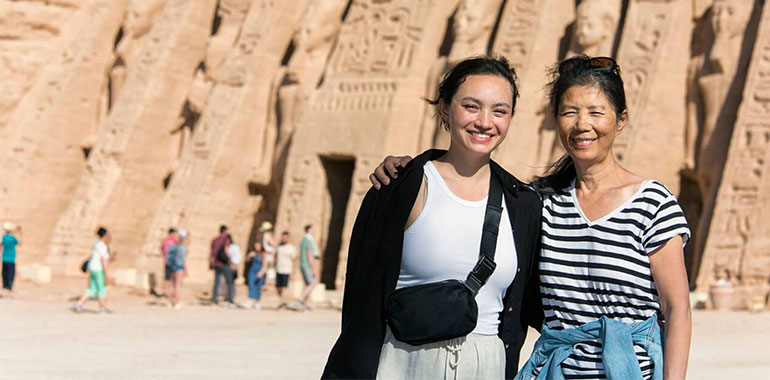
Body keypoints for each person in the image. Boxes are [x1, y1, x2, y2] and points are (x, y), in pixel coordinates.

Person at [370, 56, 692, 380]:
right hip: (557, 371)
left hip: (632, 370)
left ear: (621, 119)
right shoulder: (540, 203)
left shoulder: (652, 203)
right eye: (570, 112)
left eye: (596, 112)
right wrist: (409, 169)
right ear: (555, 120)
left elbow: (677, 309)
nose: (582, 125)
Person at [323, 56, 544, 380]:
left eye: (500, 110)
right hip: (404, 363)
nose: (485, 121)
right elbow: (361, 300)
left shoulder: (524, 204)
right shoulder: (400, 187)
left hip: (485, 367)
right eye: (471, 106)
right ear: (444, 109)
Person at [73, 227, 113, 314]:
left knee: (92, 289)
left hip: (92, 268)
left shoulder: (96, 244)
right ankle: (102, 309)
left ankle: (79, 303)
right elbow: (103, 260)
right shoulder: (102, 246)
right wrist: (106, 274)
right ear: (105, 235)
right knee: (101, 289)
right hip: (99, 269)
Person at [210, 224, 234, 306]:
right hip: (223, 263)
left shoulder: (214, 240)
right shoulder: (226, 239)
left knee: (216, 282)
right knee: (229, 281)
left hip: (216, 263)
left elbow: (212, 253)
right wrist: (231, 260)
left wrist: (211, 263)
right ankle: (230, 299)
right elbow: (226, 250)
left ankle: (214, 299)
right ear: (225, 231)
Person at [297, 224, 318, 310]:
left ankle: (305, 304)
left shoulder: (303, 240)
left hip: (302, 264)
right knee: (312, 284)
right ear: (309, 230)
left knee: (307, 284)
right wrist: (314, 269)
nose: (313, 231)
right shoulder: (308, 241)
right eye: (312, 230)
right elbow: (309, 256)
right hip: (307, 265)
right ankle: (299, 300)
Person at [166, 229, 188, 309]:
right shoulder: (182, 247)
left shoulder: (173, 246)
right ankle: (177, 302)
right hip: (179, 267)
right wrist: (185, 270)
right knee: (178, 286)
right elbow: (183, 259)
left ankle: (170, 301)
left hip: (172, 267)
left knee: (172, 285)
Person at [274, 231, 296, 310]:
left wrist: (293, 272)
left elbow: (294, 260)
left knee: (284, 287)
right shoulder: (279, 247)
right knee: (277, 287)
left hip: (287, 270)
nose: (284, 239)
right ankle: (283, 301)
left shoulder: (291, 248)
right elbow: (275, 256)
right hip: (278, 269)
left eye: (286, 237)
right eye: (283, 237)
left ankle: (281, 302)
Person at [244, 241, 267, 310]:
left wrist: (261, 272)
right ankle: (250, 300)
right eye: (256, 246)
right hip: (252, 271)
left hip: (259, 271)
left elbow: (265, 264)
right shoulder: (252, 253)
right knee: (251, 285)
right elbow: (246, 261)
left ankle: (257, 302)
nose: (257, 247)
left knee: (258, 287)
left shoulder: (263, 254)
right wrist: (249, 256)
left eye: (258, 246)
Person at [2, 222, 21, 298]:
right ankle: (9, 291)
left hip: (4, 258)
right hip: (11, 259)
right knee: (10, 275)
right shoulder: (13, 238)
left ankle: (4, 289)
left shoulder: (4, 238)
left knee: (5, 274)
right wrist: (18, 233)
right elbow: (20, 243)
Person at [159, 227, 178, 297]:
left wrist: (164, 255)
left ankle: (164, 292)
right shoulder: (175, 241)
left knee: (166, 277)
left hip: (166, 260)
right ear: (173, 233)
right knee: (172, 277)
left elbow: (161, 248)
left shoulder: (165, 240)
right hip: (173, 261)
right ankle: (169, 292)